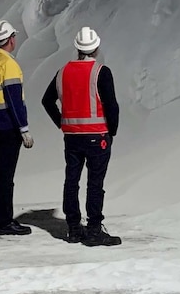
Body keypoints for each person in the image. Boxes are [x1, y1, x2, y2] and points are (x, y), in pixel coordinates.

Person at [42, 26, 122, 246]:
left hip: (72, 137)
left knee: (72, 181)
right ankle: (94, 229)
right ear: (95, 47)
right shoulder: (100, 72)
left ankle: (73, 229)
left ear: (77, 48)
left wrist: (62, 122)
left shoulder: (63, 72)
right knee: (95, 184)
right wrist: (111, 131)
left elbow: (46, 100)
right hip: (98, 136)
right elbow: (112, 106)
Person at [0, 19, 35, 236]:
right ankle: (4, 222)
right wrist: (24, 129)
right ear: (10, 39)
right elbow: (14, 99)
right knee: (5, 177)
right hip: (9, 127)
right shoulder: (9, 65)